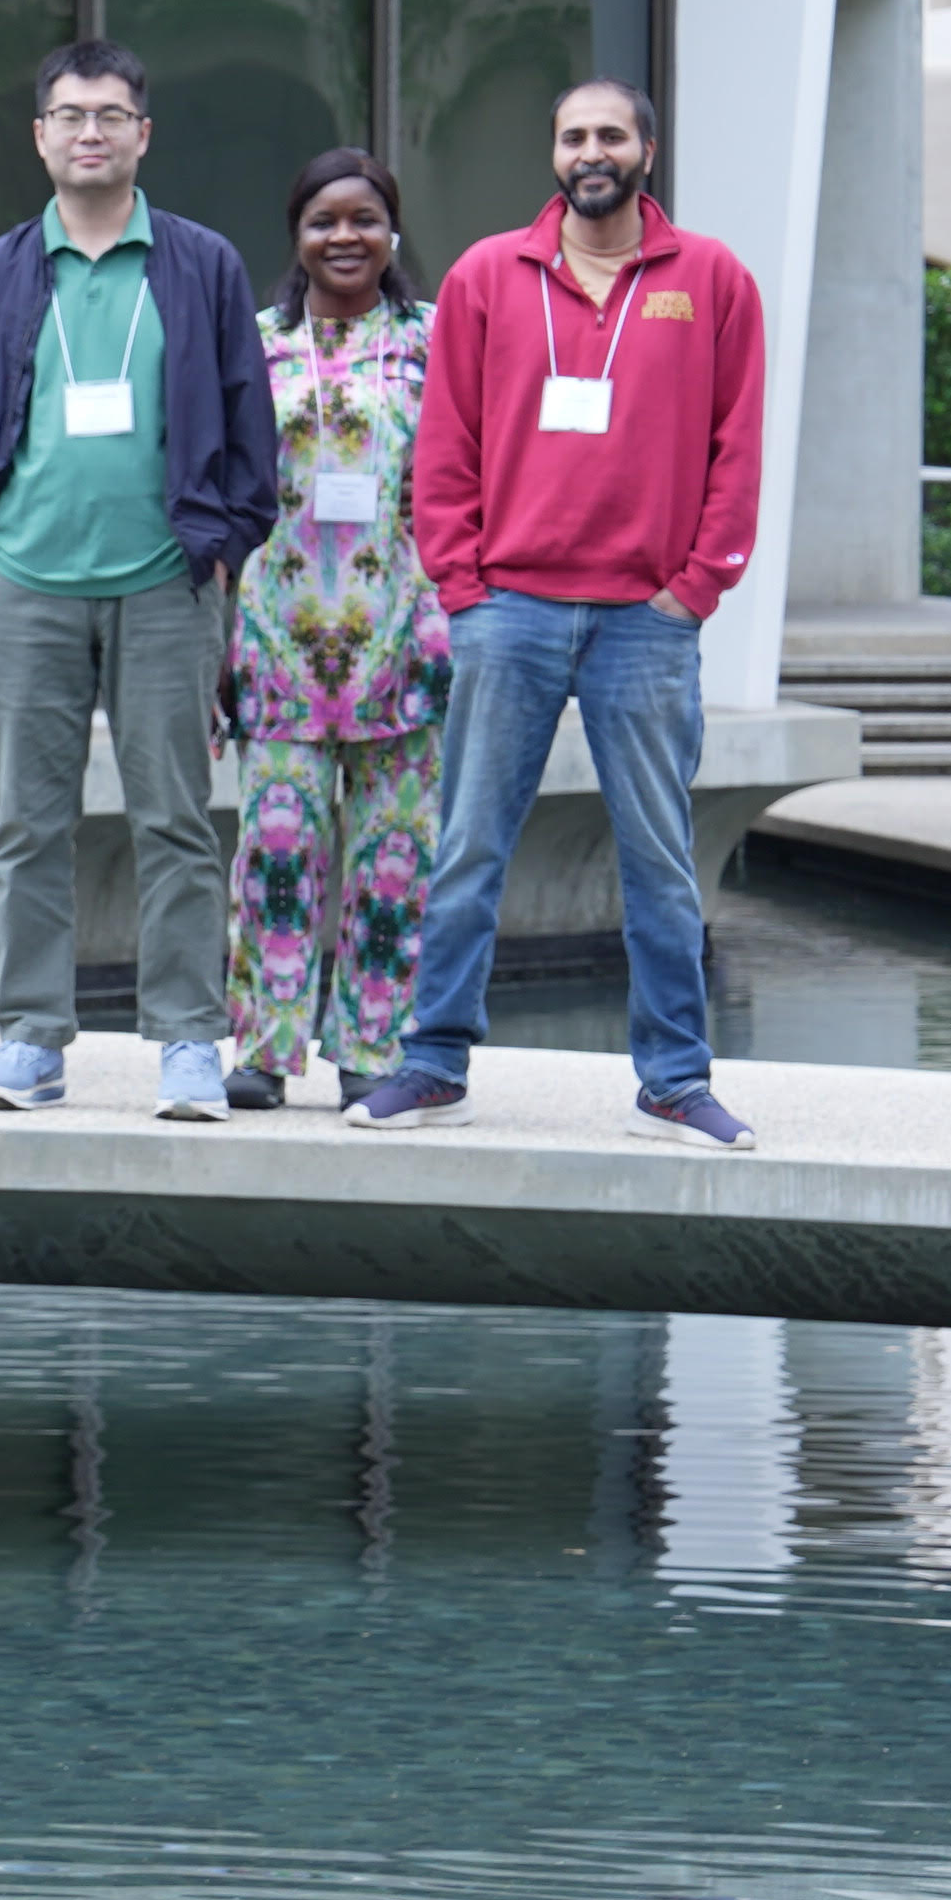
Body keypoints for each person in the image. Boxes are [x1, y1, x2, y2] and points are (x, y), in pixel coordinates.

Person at [354, 79, 774, 1150]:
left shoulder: (712, 279)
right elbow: (444, 442)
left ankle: (674, 1080)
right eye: (574, 135)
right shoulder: (487, 275)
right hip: (510, 610)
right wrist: (461, 583)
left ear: (646, 151)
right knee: (469, 847)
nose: (592, 150)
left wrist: (697, 588)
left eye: (611, 134)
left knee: (660, 859)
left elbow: (737, 447)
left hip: (646, 617)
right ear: (555, 153)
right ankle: (434, 1063)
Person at [0, 38, 276, 1119]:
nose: (91, 132)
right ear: (41, 136)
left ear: (142, 134)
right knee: (28, 825)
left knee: (175, 820)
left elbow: (248, 422)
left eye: (111, 115)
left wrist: (220, 552)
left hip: (166, 583)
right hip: (23, 582)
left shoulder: (201, 263)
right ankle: (30, 1040)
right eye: (71, 115)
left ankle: (187, 1043)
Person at [222, 151, 447, 1114]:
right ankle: (264, 1049)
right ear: (297, 234)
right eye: (324, 220)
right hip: (279, 637)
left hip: (405, 635)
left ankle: (373, 1045)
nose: (344, 236)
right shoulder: (256, 343)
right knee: (275, 853)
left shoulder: (437, 339)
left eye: (364, 218)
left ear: (392, 231)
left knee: (395, 856)